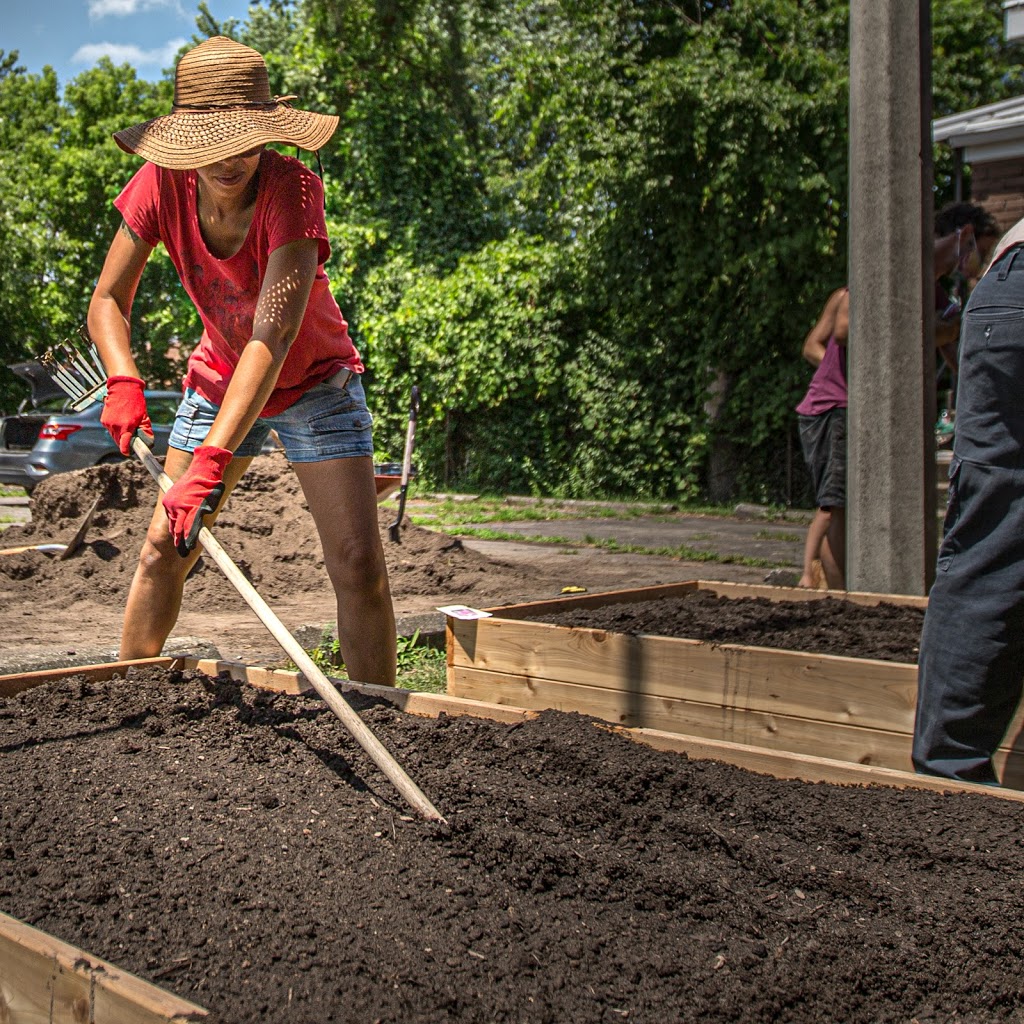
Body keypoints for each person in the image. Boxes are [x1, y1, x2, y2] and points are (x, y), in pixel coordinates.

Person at [87, 36, 397, 685]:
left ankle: (381, 712)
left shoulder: (294, 191)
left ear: (267, 132)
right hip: (219, 375)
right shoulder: (158, 185)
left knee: (358, 563)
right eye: (213, 147)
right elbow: (109, 299)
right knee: (162, 548)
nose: (231, 162)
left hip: (315, 383)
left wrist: (212, 460)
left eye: (247, 143)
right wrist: (122, 375)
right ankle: (123, 696)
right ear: (185, 141)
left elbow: (273, 335)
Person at [911, 213, 1024, 785]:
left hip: (1008, 292)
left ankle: (949, 774)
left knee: (989, 542)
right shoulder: (934, 264)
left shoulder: (982, 269)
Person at [795, 286, 849, 590]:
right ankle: (813, 578)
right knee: (832, 506)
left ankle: (814, 578)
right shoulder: (848, 295)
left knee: (832, 504)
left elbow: (818, 345)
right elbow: (834, 336)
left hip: (831, 406)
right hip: (831, 408)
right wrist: (837, 373)